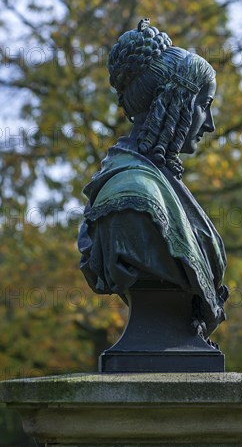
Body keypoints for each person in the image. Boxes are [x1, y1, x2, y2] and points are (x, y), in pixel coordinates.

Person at [78, 19, 228, 343]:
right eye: (204, 106)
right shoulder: (132, 194)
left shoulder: (158, 182)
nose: (211, 124)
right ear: (173, 103)